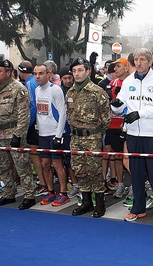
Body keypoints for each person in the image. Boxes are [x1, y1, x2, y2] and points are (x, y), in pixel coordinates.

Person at [110, 48, 153, 226]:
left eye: (143, 59)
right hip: (133, 134)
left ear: (150, 62)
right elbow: (121, 105)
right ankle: (138, 207)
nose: (139, 63)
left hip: (152, 133)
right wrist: (116, 106)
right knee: (135, 173)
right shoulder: (128, 80)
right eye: (136, 59)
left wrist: (140, 113)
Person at [66, 58, 111, 218]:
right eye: (74, 71)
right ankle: (86, 201)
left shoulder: (97, 92)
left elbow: (106, 118)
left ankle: (99, 203)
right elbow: (69, 114)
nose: (76, 74)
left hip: (92, 138)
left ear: (88, 71)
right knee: (79, 170)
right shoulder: (71, 92)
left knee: (94, 171)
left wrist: (95, 133)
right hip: (75, 137)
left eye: (80, 70)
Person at [0, 59, 36, 210]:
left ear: (9, 73)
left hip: (14, 134)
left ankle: (29, 195)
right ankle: (8, 193)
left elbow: (24, 114)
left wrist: (18, 135)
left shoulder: (19, 89)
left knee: (22, 166)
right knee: (3, 168)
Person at [34, 64, 68, 206]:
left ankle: (63, 192)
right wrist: (37, 127)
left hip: (55, 133)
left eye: (40, 73)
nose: (37, 76)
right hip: (42, 133)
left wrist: (58, 135)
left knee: (57, 163)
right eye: (35, 73)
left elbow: (62, 113)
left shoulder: (55, 90)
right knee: (44, 164)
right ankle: (50, 191)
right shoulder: (36, 90)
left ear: (48, 74)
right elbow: (39, 111)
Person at [18, 61, 47, 197]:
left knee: (35, 154)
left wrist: (28, 124)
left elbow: (33, 106)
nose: (37, 76)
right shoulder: (33, 83)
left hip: (35, 123)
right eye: (35, 73)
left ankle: (42, 182)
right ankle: (44, 181)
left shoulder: (29, 83)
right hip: (40, 123)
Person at [104, 58, 131, 199]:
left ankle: (137, 184)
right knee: (117, 156)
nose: (115, 69)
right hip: (112, 125)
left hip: (126, 125)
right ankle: (120, 184)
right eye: (115, 67)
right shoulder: (112, 83)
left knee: (128, 157)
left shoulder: (132, 82)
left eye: (119, 66)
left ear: (127, 68)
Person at [58, 66, 78, 198]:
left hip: (77, 131)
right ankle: (75, 184)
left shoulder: (78, 91)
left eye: (70, 78)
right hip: (63, 131)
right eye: (65, 78)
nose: (68, 80)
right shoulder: (58, 92)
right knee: (68, 160)